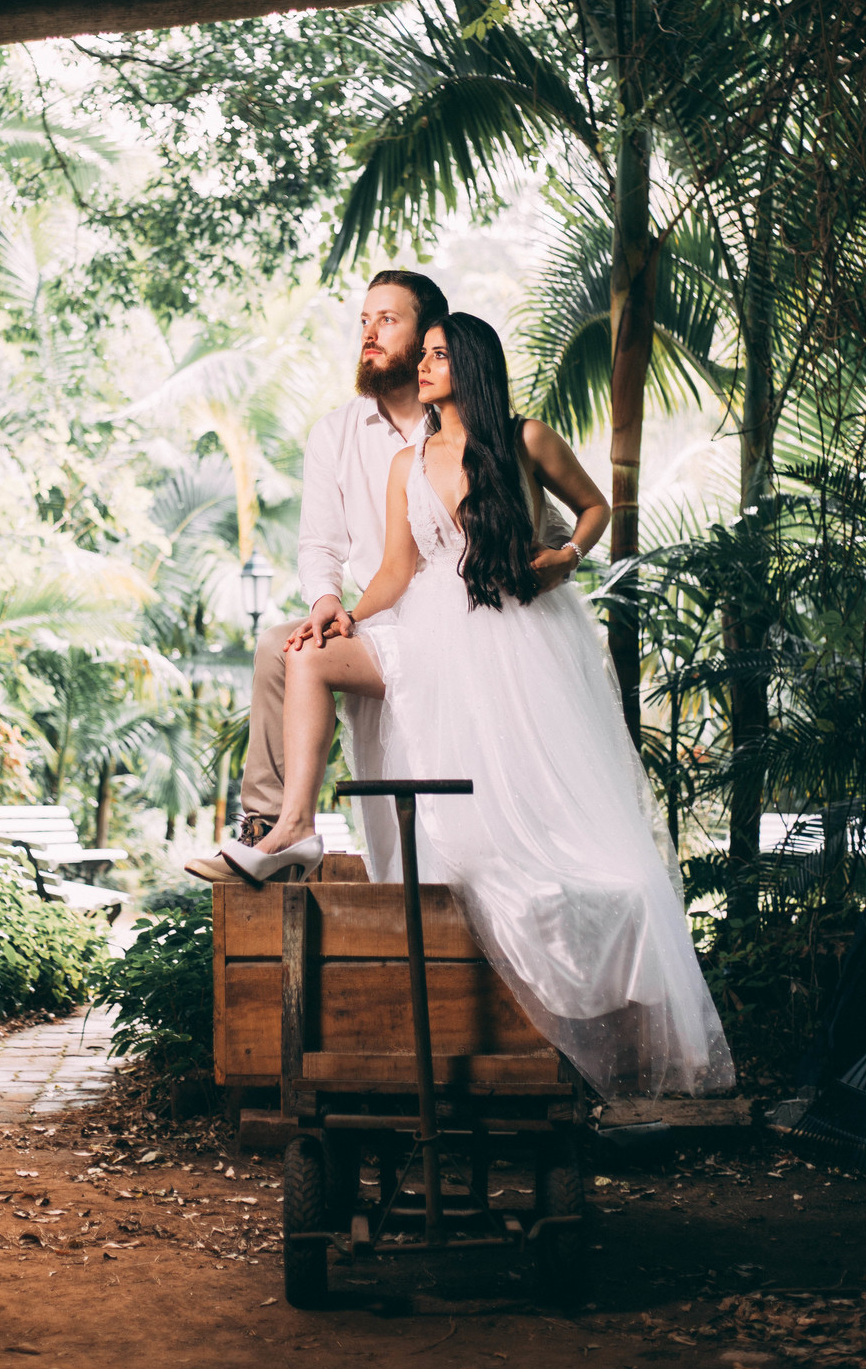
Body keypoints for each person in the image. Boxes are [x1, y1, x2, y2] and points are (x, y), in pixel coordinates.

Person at [217, 311, 734, 1099]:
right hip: (424, 634)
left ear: (471, 364)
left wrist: (567, 556)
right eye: (422, 354)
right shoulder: (408, 461)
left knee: (517, 814)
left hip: (512, 628)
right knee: (308, 655)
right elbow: (397, 571)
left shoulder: (527, 439)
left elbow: (595, 507)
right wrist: (345, 613)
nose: (423, 366)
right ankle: (294, 827)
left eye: (437, 355)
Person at [186, 266, 455, 882]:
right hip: (372, 618)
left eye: (387, 320)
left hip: (457, 624)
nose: (369, 333)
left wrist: (553, 564)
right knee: (279, 644)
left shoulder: (467, 424)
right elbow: (319, 544)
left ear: (429, 335)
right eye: (364, 321)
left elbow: (545, 531)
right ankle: (269, 833)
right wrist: (326, 601)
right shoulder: (335, 432)